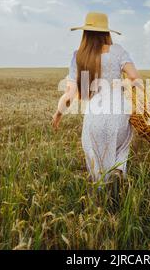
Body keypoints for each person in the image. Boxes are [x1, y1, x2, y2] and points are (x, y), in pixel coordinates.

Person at [51, 12, 140, 190]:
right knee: (120, 148)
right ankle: (119, 172)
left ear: (85, 32)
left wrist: (58, 114)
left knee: (95, 155)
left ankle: (101, 194)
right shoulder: (118, 51)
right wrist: (118, 85)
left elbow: (69, 95)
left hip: (95, 115)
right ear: (107, 32)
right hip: (119, 114)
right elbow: (136, 79)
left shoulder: (79, 56)